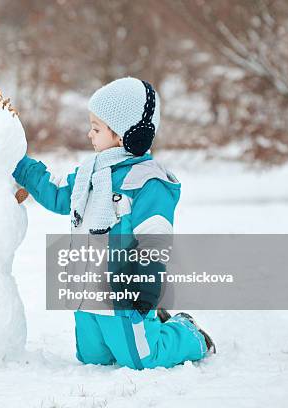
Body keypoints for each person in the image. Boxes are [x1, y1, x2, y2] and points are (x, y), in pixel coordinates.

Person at [13, 77, 215, 369]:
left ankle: (188, 333)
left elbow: (154, 237)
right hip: (86, 291)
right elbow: (57, 193)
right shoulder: (90, 174)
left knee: (143, 358)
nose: (88, 134)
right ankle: (148, 324)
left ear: (124, 136)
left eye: (96, 128)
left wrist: (145, 286)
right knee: (92, 358)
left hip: (126, 293)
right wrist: (19, 165)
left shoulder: (147, 181)